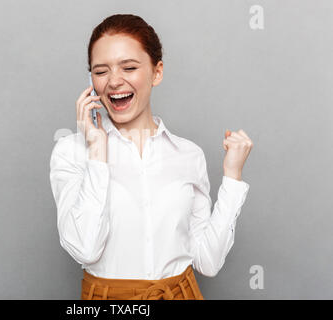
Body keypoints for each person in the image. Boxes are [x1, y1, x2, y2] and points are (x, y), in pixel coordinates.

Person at [49, 14, 253, 300]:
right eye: (101, 71)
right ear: (90, 80)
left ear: (157, 72)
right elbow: (85, 248)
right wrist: (97, 151)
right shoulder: (71, 152)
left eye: (129, 67)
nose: (114, 82)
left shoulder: (188, 154)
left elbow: (208, 261)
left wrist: (232, 177)